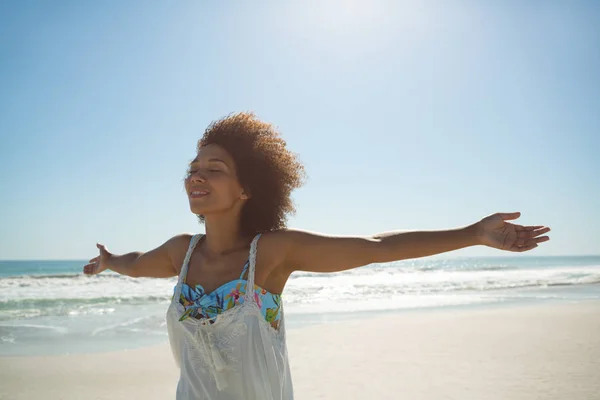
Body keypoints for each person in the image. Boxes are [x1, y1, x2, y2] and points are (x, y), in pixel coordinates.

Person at [82, 112, 550, 399]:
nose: (196, 176)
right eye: (193, 168)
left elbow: (377, 248)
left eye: (214, 168)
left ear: (248, 188)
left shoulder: (271, 253)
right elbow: (136, 262)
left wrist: (472, 233)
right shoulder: (180, 253)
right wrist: (110, 262)